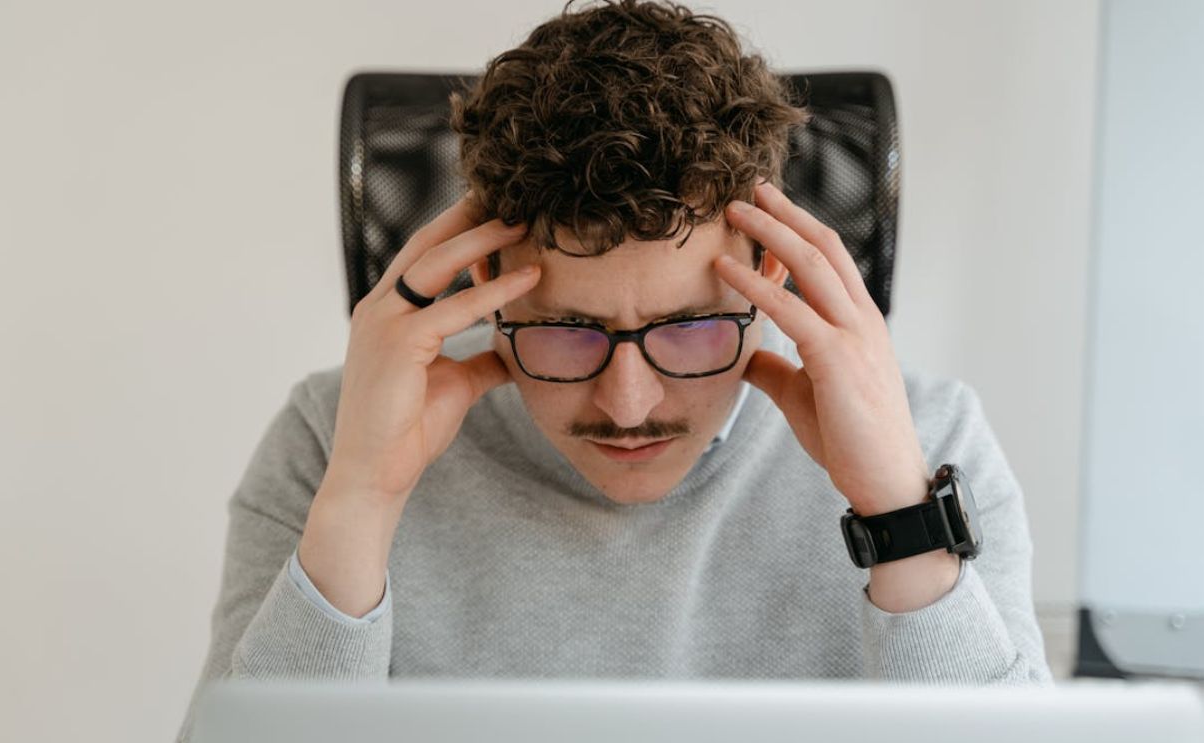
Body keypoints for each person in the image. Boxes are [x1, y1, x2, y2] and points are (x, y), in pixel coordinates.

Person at [177, 0, 1051, 739]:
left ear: (771, 272)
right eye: (566, 331)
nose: (627, 404)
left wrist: (897, 514)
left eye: (691, 327)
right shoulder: (331, 437)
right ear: (484, 282)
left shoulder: (930, 440)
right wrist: (362, 497)